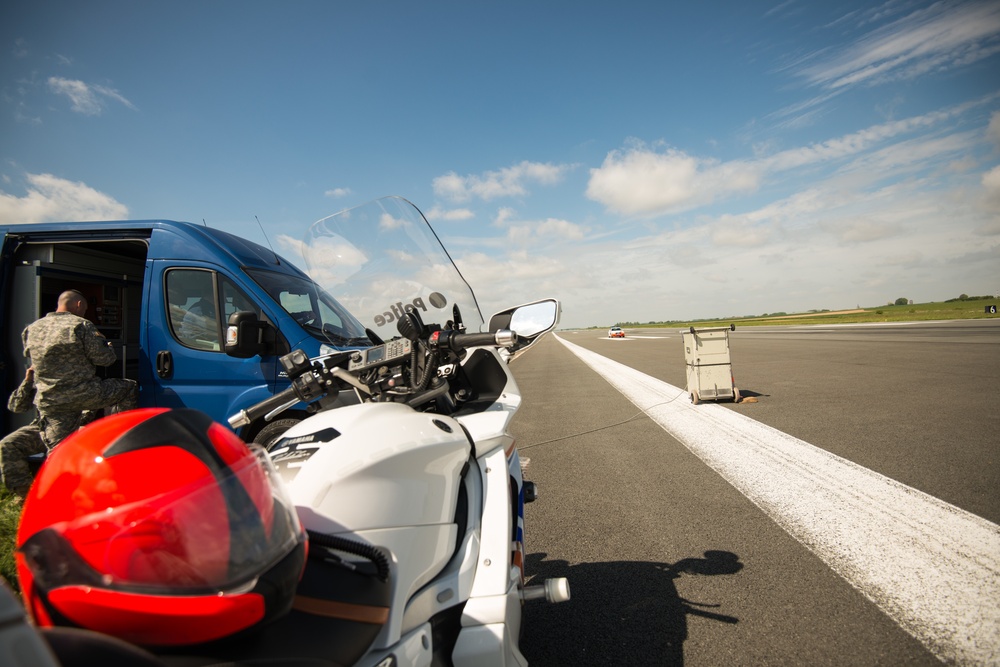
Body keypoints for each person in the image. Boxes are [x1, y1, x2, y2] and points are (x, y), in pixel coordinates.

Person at [21, 289, 137, 449]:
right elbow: (105, 360)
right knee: (128, 388)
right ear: (79, 304)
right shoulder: (81, 325)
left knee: (58, 450)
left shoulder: (32, 328)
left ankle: (56, 470)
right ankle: (119, 440)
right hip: (82, 394)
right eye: (84, 308)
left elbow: (31, 357)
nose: (84, 312)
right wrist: (108, 347)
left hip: (50, 399)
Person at [0, 367, 44, 497]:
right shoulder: (44, 372)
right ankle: (27, 498)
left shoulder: (80, 369)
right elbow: (16, 406)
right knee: (8, 445)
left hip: (77, 427)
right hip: (44, 427)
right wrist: (28, 380)